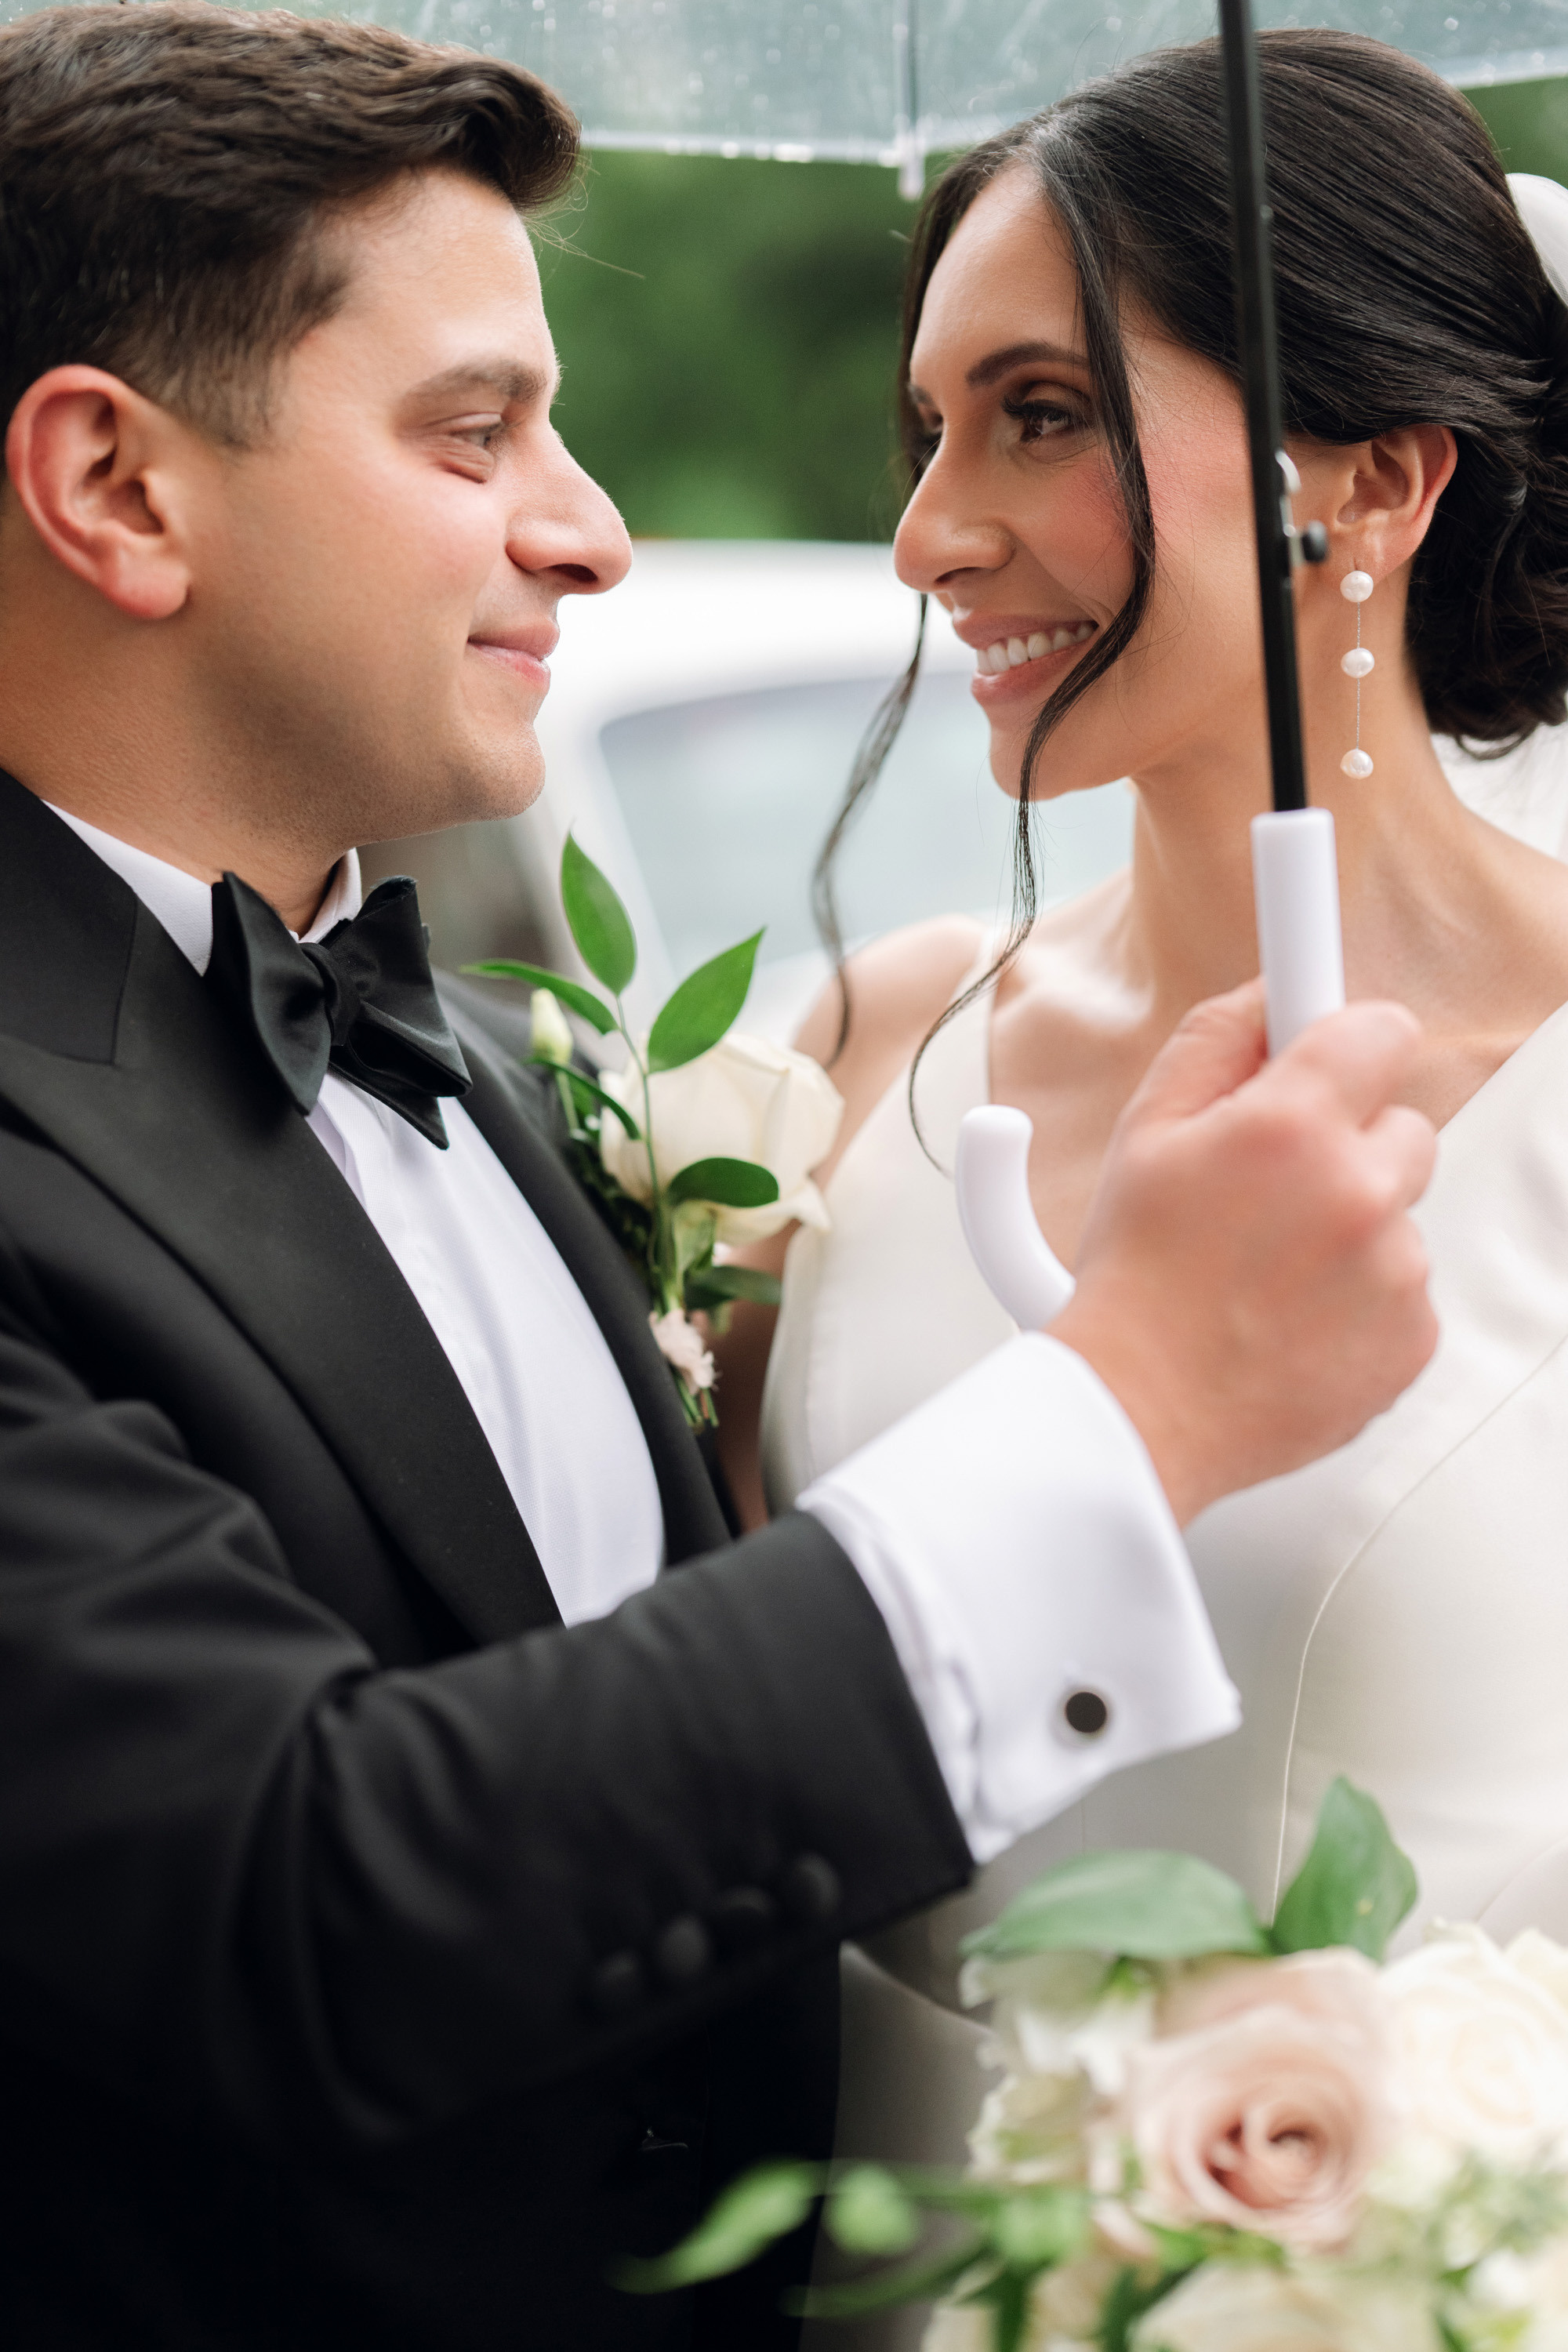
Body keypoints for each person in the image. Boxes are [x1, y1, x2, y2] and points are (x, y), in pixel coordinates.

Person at [0, 9, 1436, 2348]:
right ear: (121, 491)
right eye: (477, 434)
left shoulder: (482, 1067)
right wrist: (1141, 1393)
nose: (591, 529)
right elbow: (302, 1903)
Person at [701, 29, 1568, 2339]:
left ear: (1373, 480)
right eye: (930, 431)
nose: (928, 531)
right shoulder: (857, 1057)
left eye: (1043, 415)